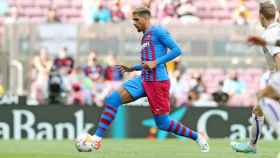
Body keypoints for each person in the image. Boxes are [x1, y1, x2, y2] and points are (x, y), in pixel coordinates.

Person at [79, 6, 209, 152]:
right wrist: (133, 68)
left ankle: (197, 137)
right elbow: (147, 63)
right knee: (113, 100)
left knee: (163, 124)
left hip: (158, 82)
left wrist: (157, 62)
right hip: (143, 79)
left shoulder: (158, 31)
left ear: (146, 18)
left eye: (136, 19)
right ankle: (97, 139)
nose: (134, 23)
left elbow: (177, 50)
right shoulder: (145, 37)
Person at [231, 2, 280, 154]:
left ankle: (252, 146)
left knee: (262, 102)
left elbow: (278, 56)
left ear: (261, 16)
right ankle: (252, 146)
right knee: (259, 107)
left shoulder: (270, 33)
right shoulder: (275, 31)